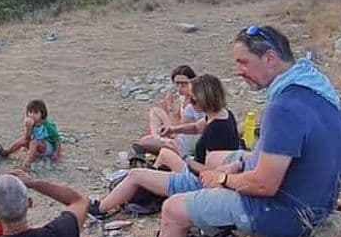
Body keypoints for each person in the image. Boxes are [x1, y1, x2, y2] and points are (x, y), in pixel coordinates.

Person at [113, 25, 341, 237]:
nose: (238, 70)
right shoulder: (313, 86)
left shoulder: (284, 108)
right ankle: (205, 209)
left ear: (270, 58)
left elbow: (265, 185)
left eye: (243, 62)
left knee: (173, 209)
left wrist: (224, 179)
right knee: (216, 159)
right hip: (315, 198)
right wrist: (238, 165)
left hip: (284, 213)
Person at [89, 74, 240, 218]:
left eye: (193, 100)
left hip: (197, 182)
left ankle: (100, 209)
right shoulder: (222, 114)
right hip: (194, 171)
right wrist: (173, 129)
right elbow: (195, 127)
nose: (189, 102)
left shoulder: (217, 132)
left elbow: (211, 173)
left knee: (135, 174)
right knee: (164, 153)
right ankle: (151, 193)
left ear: (205, 100)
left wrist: (183, 156)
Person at [136, 65, 203, 156]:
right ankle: (155, 139)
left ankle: (155, 144)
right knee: (155, 111)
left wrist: (171, 108)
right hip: (180, 134)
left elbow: (178, 128)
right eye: (177, 84)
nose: (179, 88)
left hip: (186, 139)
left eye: (184, 85)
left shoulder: (193, 104)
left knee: (145, 141)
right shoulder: (182, 99)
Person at [0, 100, 61, 169]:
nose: (32, 115)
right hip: (36, 144)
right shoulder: (32, 123)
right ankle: (7, 152)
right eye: (30, 112)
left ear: (42, 114)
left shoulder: (47, 125)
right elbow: (27, 138)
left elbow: (57, 140)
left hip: (48, 148)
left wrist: (57, 153)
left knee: (34, 142)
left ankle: (25, 165)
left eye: (36, 113)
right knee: (23, 140)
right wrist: (29, 127)